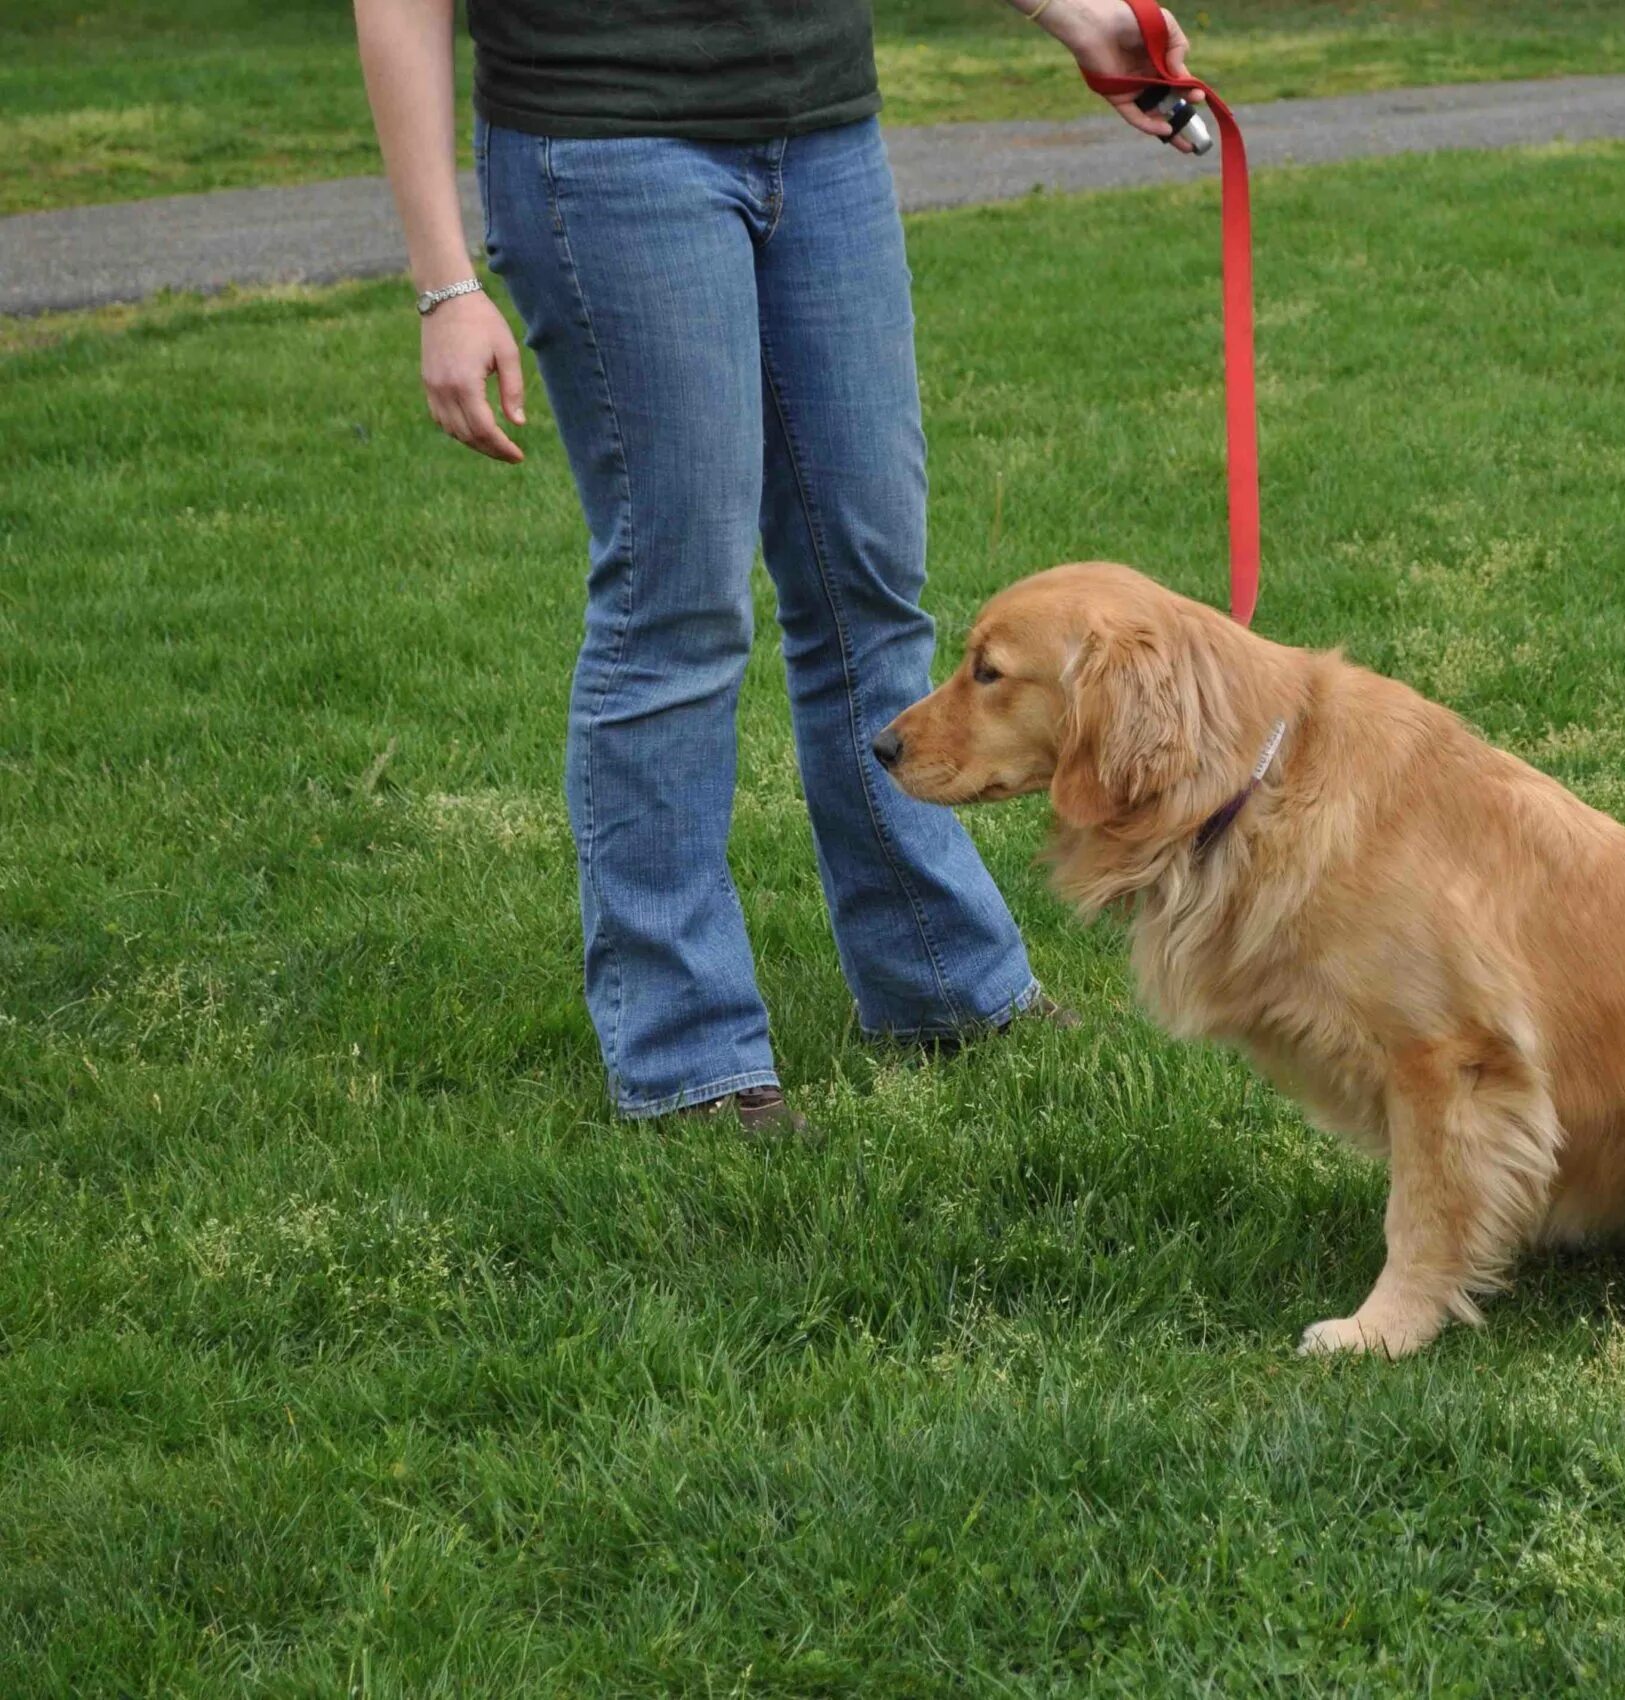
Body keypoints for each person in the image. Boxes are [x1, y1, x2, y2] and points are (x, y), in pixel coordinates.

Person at [353, 0, 1197, 1130]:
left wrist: (1076, 15)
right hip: (603, 138)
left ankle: (939, 981)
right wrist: (443, 281)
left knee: (871, 589)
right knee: (678, 606)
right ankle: (686, 1050)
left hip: (820, 130)